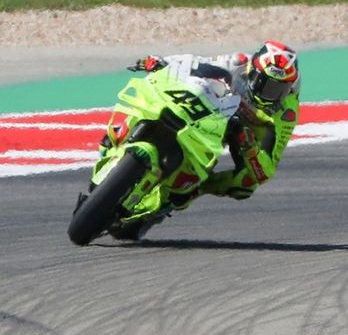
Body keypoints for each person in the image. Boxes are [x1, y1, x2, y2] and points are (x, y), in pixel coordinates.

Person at [128, 40, 300, 211]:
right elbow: (195, 63)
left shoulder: (286, 112)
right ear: (253, 72)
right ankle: (122, 133)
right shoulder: (237, 62)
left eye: (280, 89)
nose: (272, 94)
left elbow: (266, 171)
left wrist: (250, 148)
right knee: (152, 96)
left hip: (243, 130)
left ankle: (197, 189)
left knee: (247, 183)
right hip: (213, 107)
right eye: (267, 85)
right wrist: (161, 61)